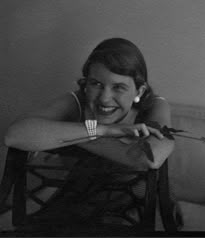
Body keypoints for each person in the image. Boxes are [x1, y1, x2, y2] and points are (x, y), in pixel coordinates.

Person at [4, 38, 175, 233]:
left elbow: (150, 158)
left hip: (136, 213)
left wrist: (66, 135)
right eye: (96, 84)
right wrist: (102, 130)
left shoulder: (154, 106)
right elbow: (15, 135)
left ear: (140, 90)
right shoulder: (77, 101)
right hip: (77, 208)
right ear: (86, 84)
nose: (104, 97)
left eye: (119, 87)